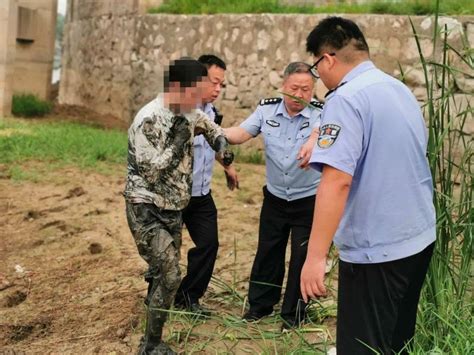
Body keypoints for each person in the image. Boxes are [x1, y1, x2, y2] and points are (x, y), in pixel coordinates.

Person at [300, 17, 436, 354]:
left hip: (377, 251)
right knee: (397, 341)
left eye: (318, 69)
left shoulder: (344, 99)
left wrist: (315, 257)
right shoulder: (398, 89)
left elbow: (336, 182)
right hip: (417, 238)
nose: (321, 79)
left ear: (327, 59)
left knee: (362, 346)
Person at [124, 57, 233, 355]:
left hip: (174, 207)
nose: (198, 99)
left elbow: (209, 127)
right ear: (175, 87)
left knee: (165, 273)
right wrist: (178, 142)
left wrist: (221, 144)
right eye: (194, 92)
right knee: (170, 274)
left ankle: (154, 326)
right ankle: (151, 345)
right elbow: (151, 172)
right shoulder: (149, 118)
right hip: (146, 208)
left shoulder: (188, 110)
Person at [224, 62, 323, 330]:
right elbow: (240, 133)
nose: (299, 94)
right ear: (283, 87)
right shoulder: (267, 109)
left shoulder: (322, 114)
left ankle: (294, 315)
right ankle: (260, 306)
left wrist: (316, 141)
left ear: (313, 91)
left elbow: (328, 135)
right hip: (276, 197)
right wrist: (213, 131)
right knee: (268, 251)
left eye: (306, 89)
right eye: (294, 88)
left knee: (302, 257)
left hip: (309, 199)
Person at [174, 54, 239, 316]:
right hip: (174, 195)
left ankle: (188, 298)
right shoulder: (177, 110)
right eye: (213, 82)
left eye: (221, 85)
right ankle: (156, 295)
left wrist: (228, 167)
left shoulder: (213, 113)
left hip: (201, 195)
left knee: (208, 244)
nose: (217, 89)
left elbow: (215, 142)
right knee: (166, 251)